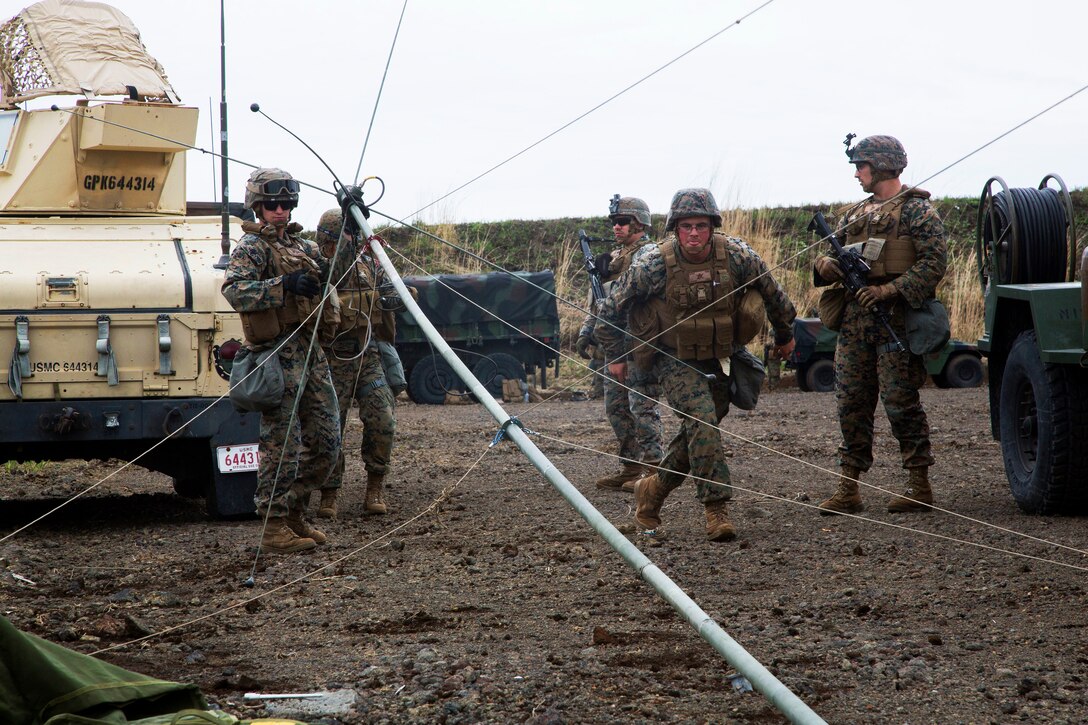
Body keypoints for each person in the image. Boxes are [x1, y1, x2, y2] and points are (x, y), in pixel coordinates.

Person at [597, 188, 796, 541]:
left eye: (700, 226)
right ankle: (715, 508)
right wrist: (615, 358)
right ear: (675, 228)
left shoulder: (736, 255)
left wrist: (784, 336)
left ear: (712, 226)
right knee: (701, 419)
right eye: (686, 226)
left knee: (698, 431)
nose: (693, 233)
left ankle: (652, 490)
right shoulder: (653, 264)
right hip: (672, 357)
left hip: (721, 353)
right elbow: (611, 309)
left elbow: (773, 294)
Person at [813, 135, 947, 515]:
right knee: (850, 401)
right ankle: (848, 487)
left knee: (900, 402)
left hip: (897, 320)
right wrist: (825, 266)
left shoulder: (918, 212)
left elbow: (934, 264)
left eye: (861, 166)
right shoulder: (854, 214)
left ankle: (919, 483)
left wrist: (890, 290)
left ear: (882, 165)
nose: (857, 174)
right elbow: (828, 254)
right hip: (855, 320)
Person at [222, 168, 341, 554]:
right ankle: (274, 526)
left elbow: (334, 269)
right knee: (282, 445)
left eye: (286, 204)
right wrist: (282, 286)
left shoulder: (302, 246)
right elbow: (235, 291)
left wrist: (350, 216)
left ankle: (294, 510)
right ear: (257, 206)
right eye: (272, 204)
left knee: (327, 443)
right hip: (277, 355)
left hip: (311, 352)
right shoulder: (251, 248)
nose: (280, 210)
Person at [576, 196, 664, 492]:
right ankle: (630, 468)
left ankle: (655, 471)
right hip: (614, 347)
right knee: (616, 409)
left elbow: (636, 290)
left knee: (642, 408)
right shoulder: (614, 258)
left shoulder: (650, 254)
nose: (616, 226)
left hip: (640, 344)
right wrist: (587, 332)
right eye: (614, 221)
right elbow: (600, 304)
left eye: (622, 221)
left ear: (639, 224)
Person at [314, 208, 397, 518]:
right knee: (330, 428)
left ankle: (374, 487)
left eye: (352, 234)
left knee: (382, 417)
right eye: (346, 233)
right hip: (332, 359)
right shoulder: (319, 265)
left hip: (366, 355)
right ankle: (329, 493)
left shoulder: (369, 264)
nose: (351, 240)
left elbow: (392, 290)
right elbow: (337, 269)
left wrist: (394, 298)